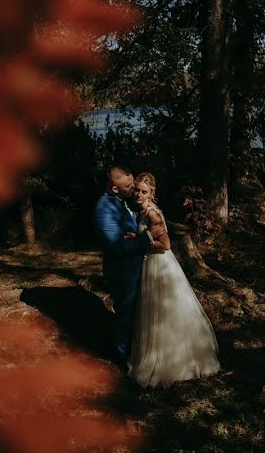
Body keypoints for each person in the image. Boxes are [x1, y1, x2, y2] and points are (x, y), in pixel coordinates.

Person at [127, 172, 220, 387]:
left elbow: (166, 244)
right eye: (137, 190)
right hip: (150, 262)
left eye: (144, 191)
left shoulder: (152, 214)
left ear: (152, 193)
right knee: (154, 311)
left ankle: (171, 362)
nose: (139, 195)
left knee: (164, 310)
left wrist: (140, 243)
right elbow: (149, 237)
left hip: (159, 264)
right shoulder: (143, 211)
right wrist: (138, 238)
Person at [94, 165, 165, 363]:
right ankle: (121, 358)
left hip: (137, 268)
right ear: (115, 188)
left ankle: (135, 351)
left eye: (133, 181)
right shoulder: (104, 211)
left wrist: (137, 235)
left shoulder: (124, 200)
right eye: (128, 185)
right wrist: (148, 238)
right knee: (125, 315)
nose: (133, 187)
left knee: (134, 314)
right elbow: (118, 248)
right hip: (123, 272)